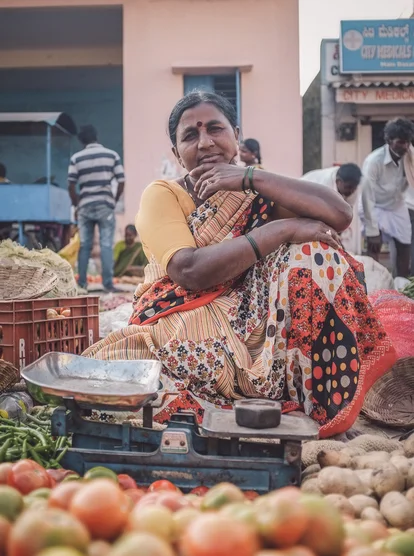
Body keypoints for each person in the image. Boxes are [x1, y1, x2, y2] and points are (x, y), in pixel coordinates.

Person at [84, 91, 395, 439]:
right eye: (190, 135)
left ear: (235, 135)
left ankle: (320, 410)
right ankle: (246, 397)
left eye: (215, 129)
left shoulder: (254, 186)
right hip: (181, 318)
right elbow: (189, 271)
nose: (205, 143)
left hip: (253, 324)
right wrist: (284, 228)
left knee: (316, 254)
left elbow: (339, 215)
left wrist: (251, 178)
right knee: (147, 379)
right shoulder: (163, 194)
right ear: (176, 154)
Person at [68, 125, 125, 292]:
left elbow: (71, 185)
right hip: (105, 205)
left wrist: (77, 203)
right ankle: (108, 284)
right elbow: (121, 180)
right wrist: (113, 200)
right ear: (96, 136)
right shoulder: (111, 155)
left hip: (85, 205)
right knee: (106, 244)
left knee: (85, 245)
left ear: (81, 141)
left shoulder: (76, 158)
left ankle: (82, 283)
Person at [361, 118, 414, 278]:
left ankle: (402, 285)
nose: (405, 147)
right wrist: (372, 230)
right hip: (374, 205)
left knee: (405, 246)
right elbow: (367, 197)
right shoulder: (373, 161)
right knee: (373, 245)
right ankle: (370, 284)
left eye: (408, 142)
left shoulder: (410, 156)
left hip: (396, 205)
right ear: (389, 140)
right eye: (400, 142)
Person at [301, 163, 379, 255]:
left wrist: (338, 240)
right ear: (338, 182)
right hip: (302, 199)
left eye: (354, 189)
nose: (351, 191)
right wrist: (334, 239)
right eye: (348, 188)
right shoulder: (325, 186)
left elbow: (344, 216)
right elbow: (323, 219)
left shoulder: (350, 188)